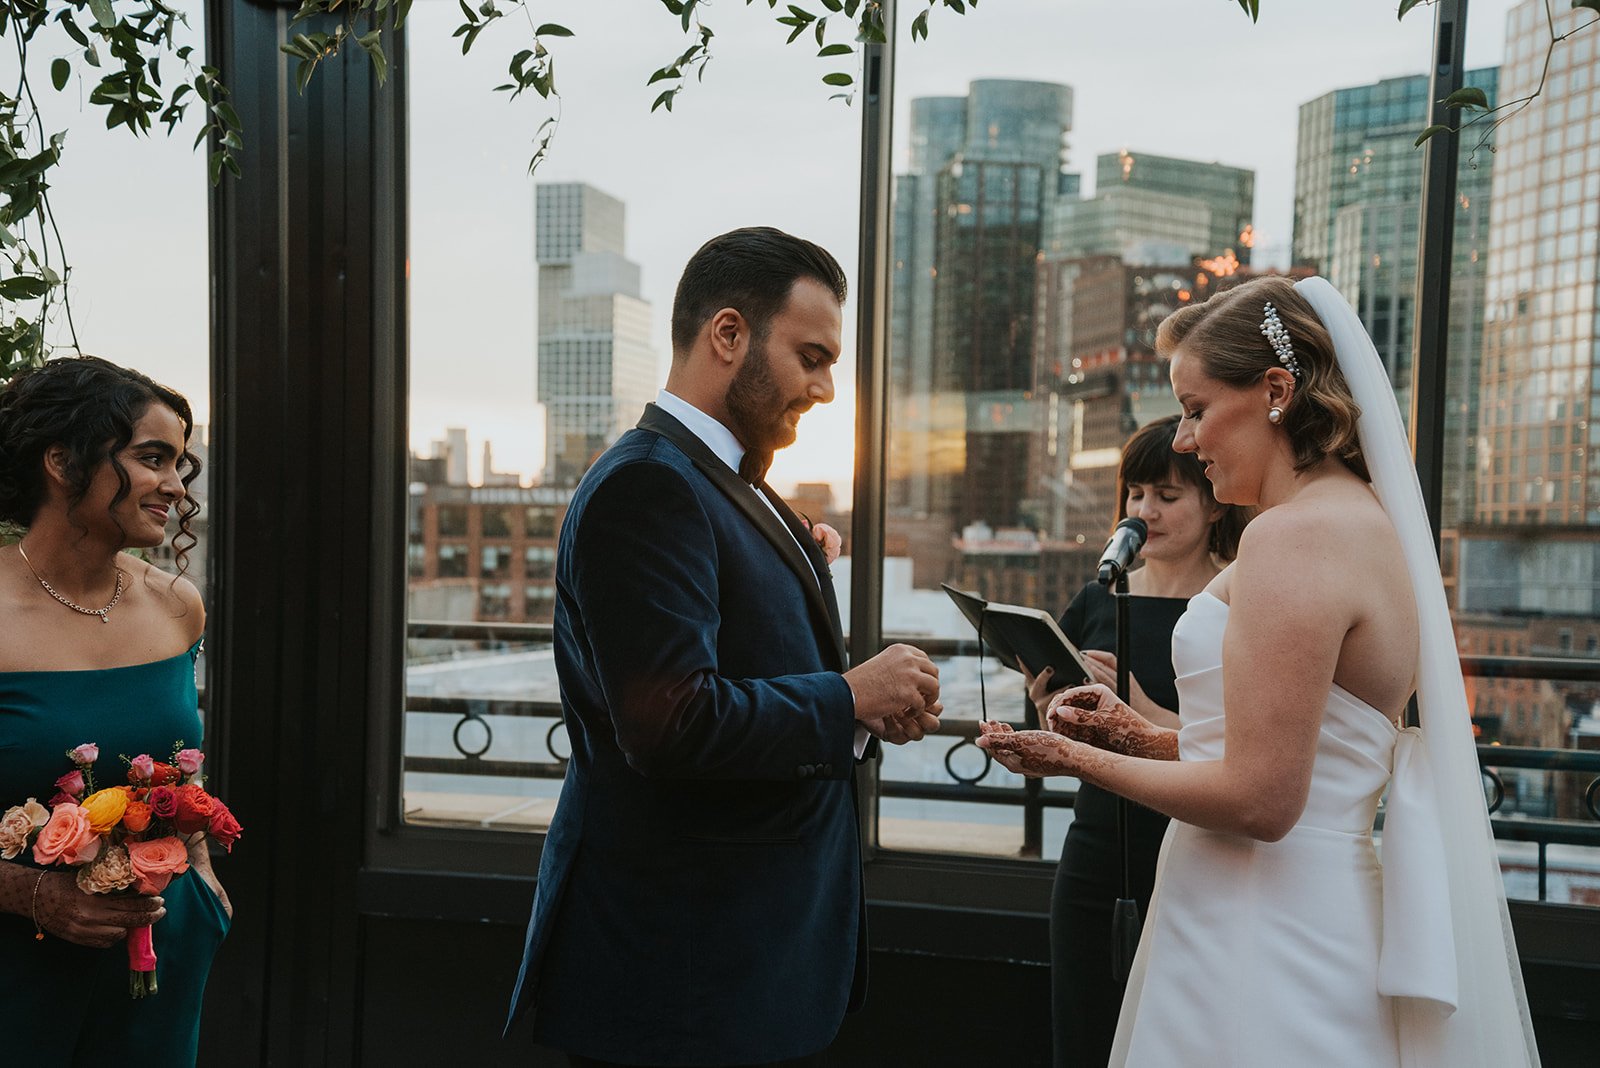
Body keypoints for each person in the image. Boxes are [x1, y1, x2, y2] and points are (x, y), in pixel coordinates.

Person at [978, 276, 1539, 1066]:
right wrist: (1136, 735)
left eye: (1196, 409)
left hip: (1257, 923)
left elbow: (1263, 800)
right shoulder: (1360, 519)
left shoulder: (1292, 539)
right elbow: (1292, 754)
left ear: (1276, 391)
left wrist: (1071, 757)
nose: (1183, 439)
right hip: (1302, 908)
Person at [505, 227, 944, 1067]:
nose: (825, 389)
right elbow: (670, 723)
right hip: (680, 980)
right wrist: (850, 695)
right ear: (729, 334)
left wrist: (859, 716)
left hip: (742, 965)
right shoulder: (648, 484)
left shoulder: (730, 482)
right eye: (811, 358)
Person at [0, 356, 230, 1065]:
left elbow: (177, 762)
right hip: (15, 965)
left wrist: (203, 883)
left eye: (179, 464)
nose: (176, 485)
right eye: (151, 458)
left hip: (158, 958)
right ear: (62, 463)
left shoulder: (176, 606)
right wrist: (28, 892)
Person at [1029, 414, 1245, 1068]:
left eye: (1167, 496)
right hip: (1094, 847)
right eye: (1136, 494)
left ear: (1214, 503)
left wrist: (1139, 711)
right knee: (1083, 1032)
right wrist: (1049, 709)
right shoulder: (1098, 598)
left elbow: (1237, 747)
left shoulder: (1236, 603)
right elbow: (1067, 736)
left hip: (1195, 849)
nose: (1145, 512)